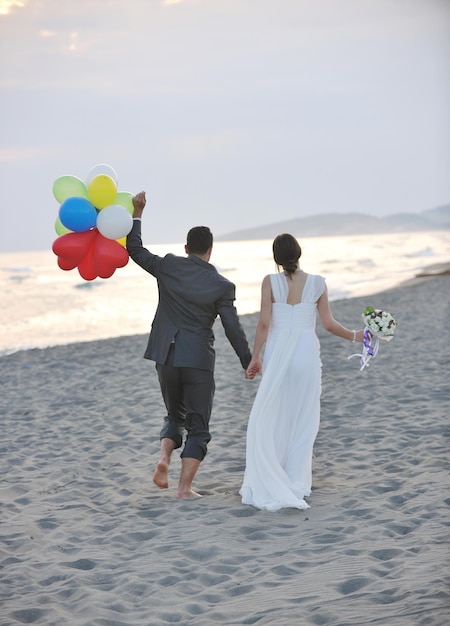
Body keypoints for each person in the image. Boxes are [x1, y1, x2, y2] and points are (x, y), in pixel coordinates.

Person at [127, 192, 252, 499]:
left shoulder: (169, 266)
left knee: (174, 416)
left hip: (165, 356)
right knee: (198, 427)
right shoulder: (222, 285)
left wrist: (137, 213)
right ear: (210, 251)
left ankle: (163, 458)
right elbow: (232, 327)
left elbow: (135, 250)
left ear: (186, 249)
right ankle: (184, 489)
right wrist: (247, 361)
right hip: (197, 359)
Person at [240, 233, 364, 512]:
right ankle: (296, 480)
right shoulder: (318, 283)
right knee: (304, 415)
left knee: (274, 412)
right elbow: (329, 325)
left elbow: (263, 324)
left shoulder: (269, 282)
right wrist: (359, 336)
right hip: (306, 353)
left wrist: (255, 356)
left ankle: (276, 472)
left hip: (278, 352)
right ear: (299, 253)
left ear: (276, 258)